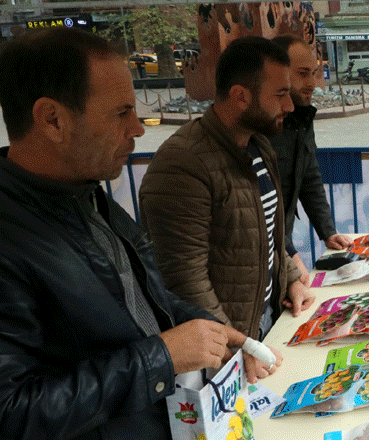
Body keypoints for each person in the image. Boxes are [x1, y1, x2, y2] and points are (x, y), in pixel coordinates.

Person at [0, 28, 280, 439]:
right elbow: (13, 413)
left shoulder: (87, 195)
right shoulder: (12, 237)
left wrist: (209, 332)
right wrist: (162, 358)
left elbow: (145, 304)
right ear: (53, 120)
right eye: (120, 113)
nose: (137, 128)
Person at [139, 36, 315, 343]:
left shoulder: (258, 145)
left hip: (265, 323)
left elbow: (267, 235)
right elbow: (185, 280)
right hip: (226, 349)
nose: (289, 105)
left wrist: (290, 280)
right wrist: (237, 347)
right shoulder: (182, 163)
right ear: (241, 96)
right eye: (281, 94)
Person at [269, 35, 353, 281]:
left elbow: (309, 179)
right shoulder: (262, 127)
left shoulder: (301, 119)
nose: (312, 84)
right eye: (303, 73)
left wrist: (328, 232)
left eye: (314, 73)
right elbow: (260, 207)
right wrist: (291, 256)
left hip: (279, 246)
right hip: (259, 252)